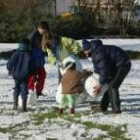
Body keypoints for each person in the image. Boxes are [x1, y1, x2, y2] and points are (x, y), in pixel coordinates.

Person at [82, 39, 131, 114]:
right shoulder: (97, 52)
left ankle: (116, 110)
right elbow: (99, 69)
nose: (85, 55)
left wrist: (99, 85)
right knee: (109, 84)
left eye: (86, 52)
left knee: (113, 86)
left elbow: (104, 71)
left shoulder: (98, 54)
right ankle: (103, 107)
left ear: (90, 50)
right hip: (115, 65)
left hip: (123, 64)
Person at [7, 38, 36, 111]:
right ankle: (24, 108)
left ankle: (15, 105)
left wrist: (10, 70)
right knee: (24, 90)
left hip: (16, 75)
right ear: (28, 45)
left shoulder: (15, 53)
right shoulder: (29, 54)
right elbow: (32, 66)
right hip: (25, 76)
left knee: (16, 88)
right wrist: (33, 73)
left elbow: (9, 64)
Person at [28, 21, 49, 97]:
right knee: (32, 77)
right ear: (39, 28)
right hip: (33, 61)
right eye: (43, 29)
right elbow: (28, 48)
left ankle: (38, 92)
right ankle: (31, 93)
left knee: (42, 75)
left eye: (46, 30)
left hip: (40, 60)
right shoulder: (33, 36)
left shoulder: (43, 36)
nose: (44, 31)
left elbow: (43, 47)